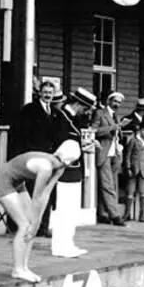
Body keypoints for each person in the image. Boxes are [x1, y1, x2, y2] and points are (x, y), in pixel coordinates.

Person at [0, 140, 81, 283]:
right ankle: (17, 269)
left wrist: (38, 221)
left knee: (33, 226)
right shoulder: (45, 167)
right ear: (70, 162)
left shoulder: (59, 168)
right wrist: (33, 223)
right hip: (2, 182)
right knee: (25, 226)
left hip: (17, 183)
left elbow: (46, 194)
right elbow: (36, 197)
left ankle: (24, 267)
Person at [50, 87, 97, 258]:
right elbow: (61, 146)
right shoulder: (63, 119)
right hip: (65, 171)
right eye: (84, 108)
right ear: (78, 104)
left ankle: (68, 243)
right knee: (65, 209)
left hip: (73, 170)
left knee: (71, 210)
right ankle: (60, 246)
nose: (84, 112)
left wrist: (84, 147)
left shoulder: (71, 119)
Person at [9, 81, 58, 237]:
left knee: (46, 192)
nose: (48, 95)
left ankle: (44, 226)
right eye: (45, 92)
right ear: (39, 93)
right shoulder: (30, 110)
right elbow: (22, 135)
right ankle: (31, 226)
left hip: (49, 158)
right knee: (33, 193)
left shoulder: (54, 111)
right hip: (34, 158)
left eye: (51, 92)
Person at [91, 91, 129, 226]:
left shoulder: (116, 116)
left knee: (111, 184)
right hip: (103, 152)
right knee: (108, 185)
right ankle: (115, 215)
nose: (117, 104)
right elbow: (94, 131)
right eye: (115, 101)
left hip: (114, 153)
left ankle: (102, 213)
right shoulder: (100, 113)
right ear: (109, 101)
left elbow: (117, 133)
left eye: (119, 102)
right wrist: (115, 127)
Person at [123, 120, 144, 222]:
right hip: (134, 169)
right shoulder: (134, 140)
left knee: (143, 192)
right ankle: (127, 213)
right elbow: (127, 156)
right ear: (140, 130)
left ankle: (142, 214)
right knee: (130, 191)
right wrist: (128, 167)